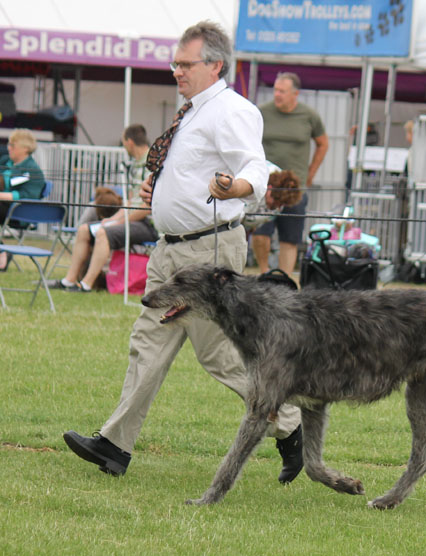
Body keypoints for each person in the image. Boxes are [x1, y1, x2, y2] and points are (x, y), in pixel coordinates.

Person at [62, 21, 303, 484]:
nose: (176, 71)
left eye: (185, 64)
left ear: (215, 65)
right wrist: (162, 186)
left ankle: (290, 424)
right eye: (175, 63)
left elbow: (254, 166)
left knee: (219, 355)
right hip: (170, 251)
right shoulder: (191, 112)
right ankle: (114, 446)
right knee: (147, 344)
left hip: (207, 253)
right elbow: (189, 169)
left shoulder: (232, 110)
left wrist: (236, 185)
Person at [48, 124, 158, 292]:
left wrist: (118, 222)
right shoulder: (135, 165)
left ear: (129, 142)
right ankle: (69, 281)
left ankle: (86, 285)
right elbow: (129, 203)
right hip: (131, 219)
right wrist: (111, 219)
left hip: (149, 225)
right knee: (85, 230)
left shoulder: (153, 164)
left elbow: (147, 208)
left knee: (103, 233)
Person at [251, 72, 329, 276]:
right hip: (265, 187)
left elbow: (323, 143)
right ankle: (264, 273)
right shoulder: (262, 113)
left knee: (289, 238)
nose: (277, 95)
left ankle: (284, 279)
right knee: (260, 234)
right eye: (275, 90)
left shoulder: (309, 115)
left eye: (282, 91)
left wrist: (310, 174)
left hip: (295, 188)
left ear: (295, 94)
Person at [0, 128, 46, 271]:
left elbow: (28, 196)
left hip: (20, 212)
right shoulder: (5, 162)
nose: (9, 148)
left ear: (25, 149)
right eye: (9, 144)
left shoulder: (33, 170)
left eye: (13, 145)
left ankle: (2, 253)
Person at [242, 163, 302, 233]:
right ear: (269, 189)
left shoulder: (276, 208)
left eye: (281, 204)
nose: (277, 207)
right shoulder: (254, 179)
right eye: (275, 202)